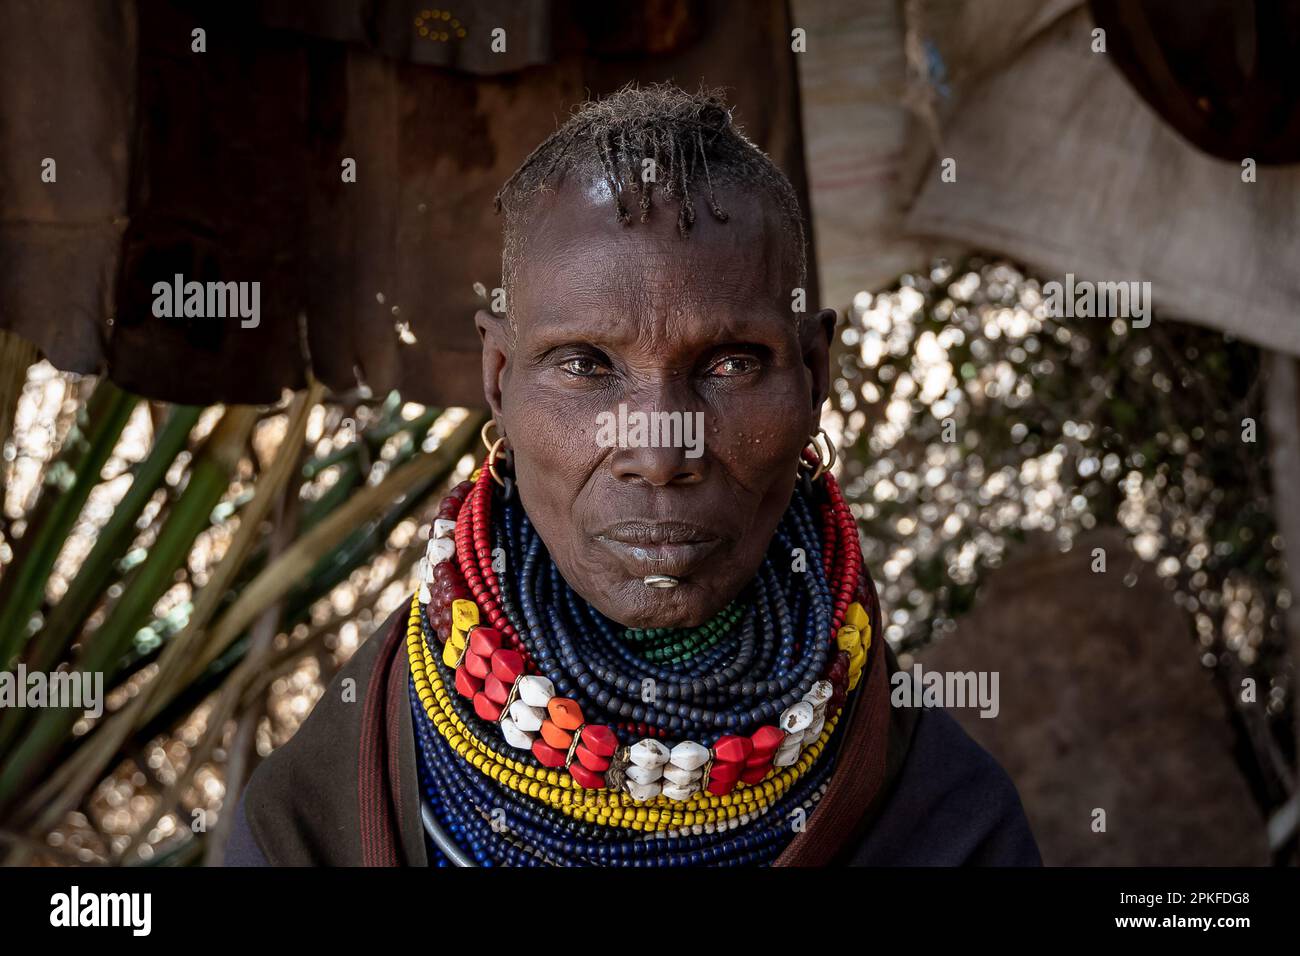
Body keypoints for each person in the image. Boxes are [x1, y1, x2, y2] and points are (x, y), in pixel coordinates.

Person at [225, 83, 1040, 867]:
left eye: (728, 364)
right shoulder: (340, 787)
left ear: (815, 374)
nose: (658, 451)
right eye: (585, 365)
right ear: (499, 376)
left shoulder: (945, 819)